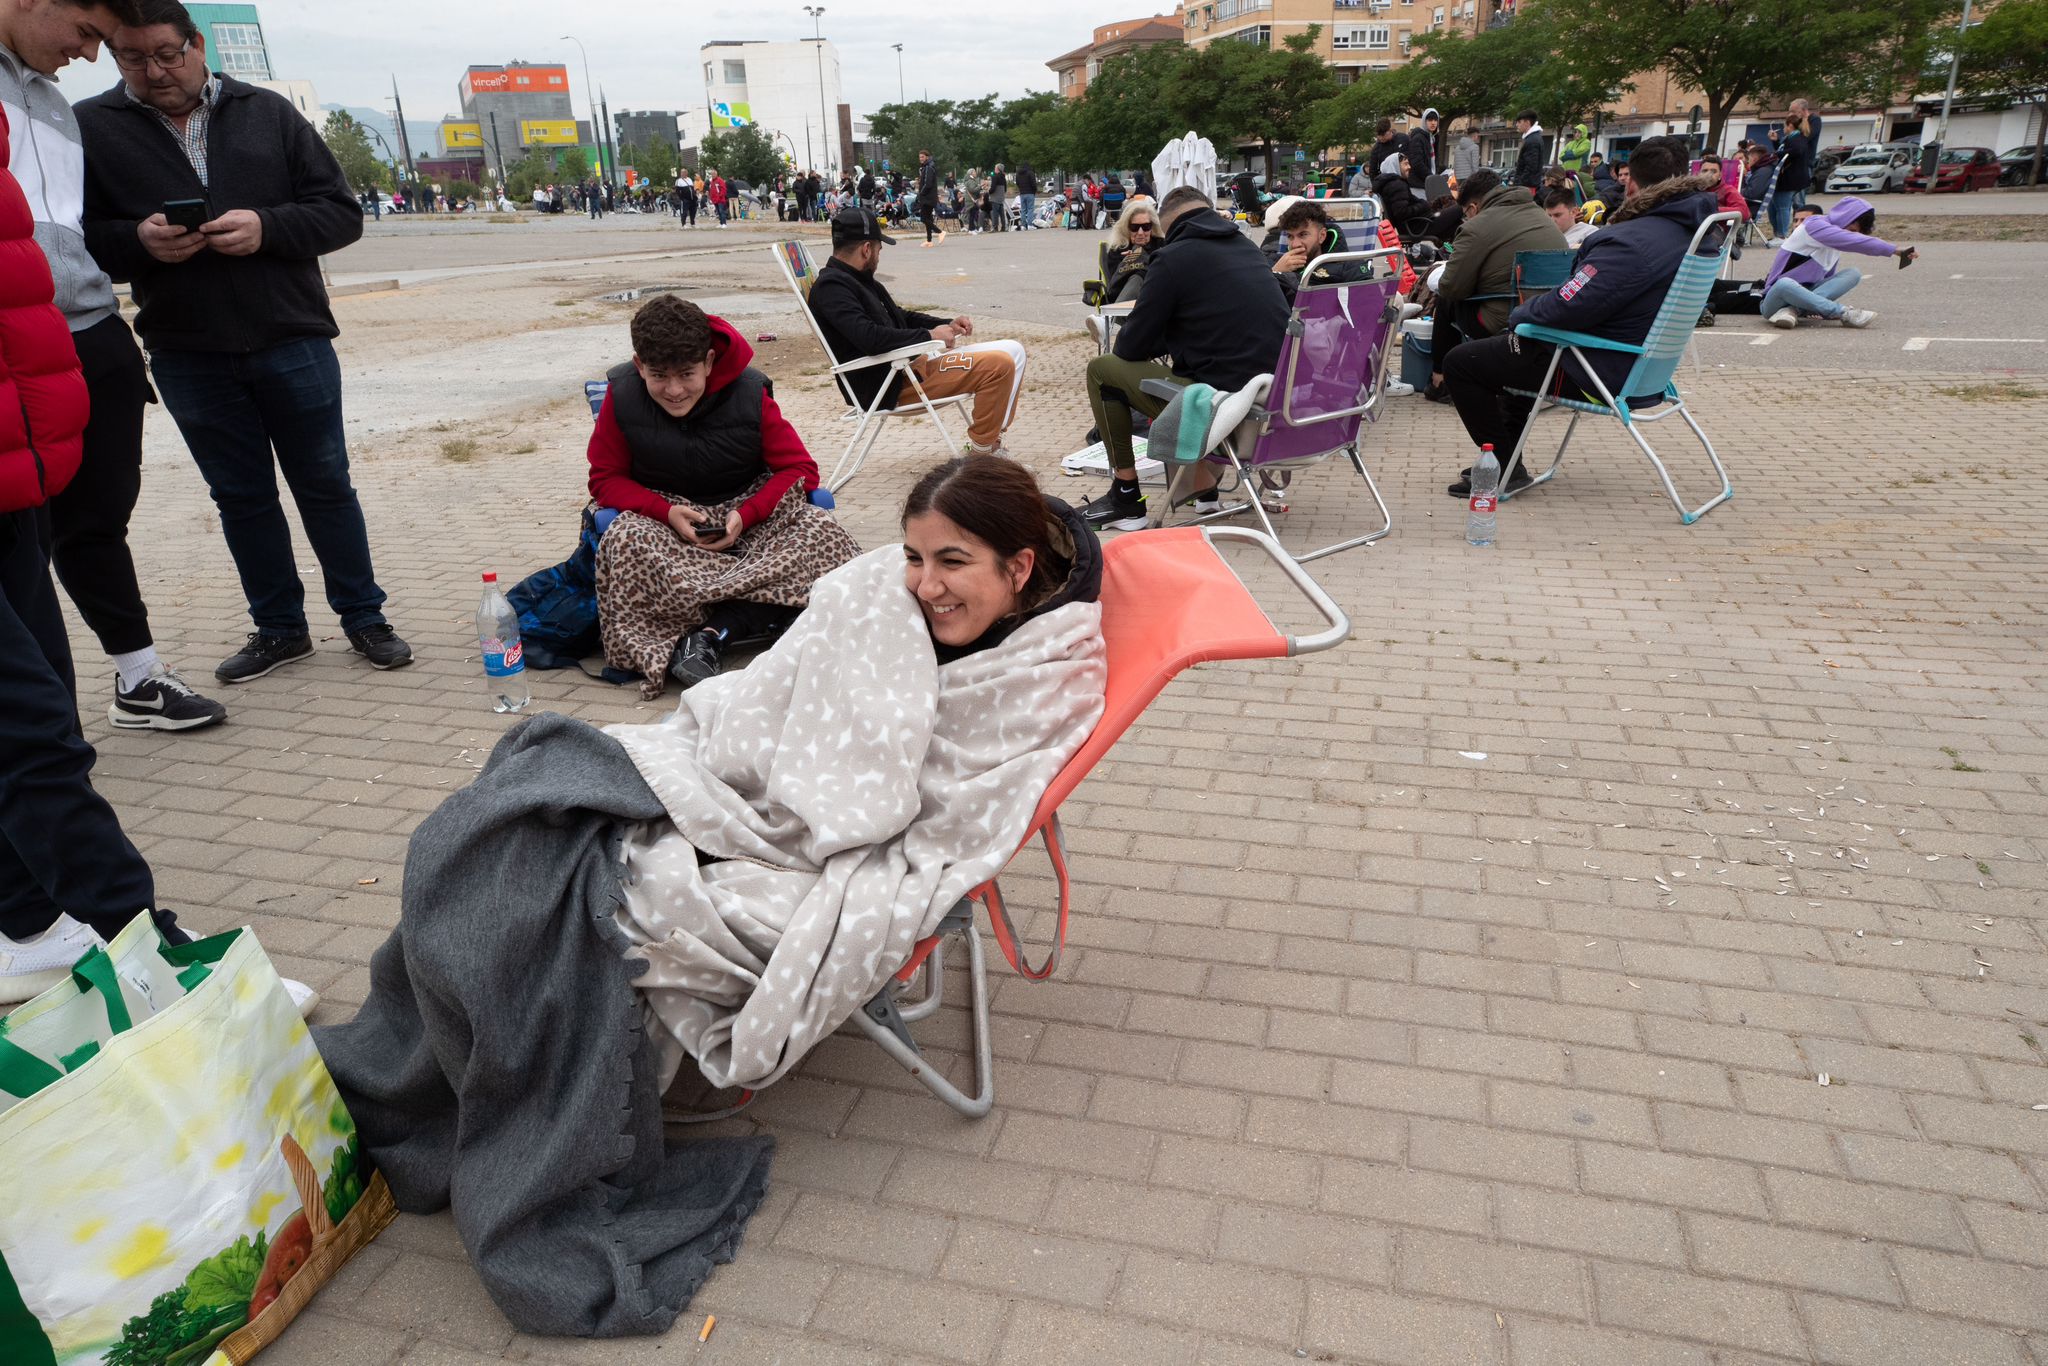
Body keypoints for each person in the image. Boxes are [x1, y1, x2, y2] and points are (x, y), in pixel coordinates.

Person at [312, 453, 1101, 1340]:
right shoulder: (886, 593)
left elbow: (926, 810)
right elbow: (774, 692)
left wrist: (822, 805)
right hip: (725, 771)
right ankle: (431, 1073)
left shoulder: (1039, 669)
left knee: (566, 899)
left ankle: (498, 1107)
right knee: (489, 832)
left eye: (953, 563)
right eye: (915, 556)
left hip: (807, 837)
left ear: (1020, 568)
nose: (924, 585)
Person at [77, 0, 413, 682]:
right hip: (185, 349)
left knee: (325, 485)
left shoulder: (267, 112)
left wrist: (267, 227)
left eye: (168, 54)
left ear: (197, 45)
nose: (155, 71)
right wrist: (136, 242)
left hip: (292, 337)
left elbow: (339, 214)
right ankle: (280, 628)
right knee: (241, 496)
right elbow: (77, 240)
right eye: (134, 59)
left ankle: (363, 617)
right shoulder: (90, 128)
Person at [3, 0, 225, 731]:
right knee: (19, 543)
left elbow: (69, 228)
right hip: (15, 350)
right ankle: (40, 733)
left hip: (93, 335)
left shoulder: (55, 105)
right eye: (88, 34)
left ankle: (138, 680)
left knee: (97, 519)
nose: (91, 55)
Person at [587, 297, 858, 698]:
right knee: (625, 540)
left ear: (710, 362)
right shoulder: (622, 394)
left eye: (687, 374)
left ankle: (708, 634)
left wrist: (746, 515)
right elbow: (605, 478)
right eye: (659, 375)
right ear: (639, 365)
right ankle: (774, 616)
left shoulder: (750, 392)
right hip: (668, 525)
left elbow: (800, 470)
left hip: (749, 519)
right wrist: (664, 511)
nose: (675, 390)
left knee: (819, 528)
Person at [1441, 135, 1720, 496]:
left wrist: (1523, 314)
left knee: (1465, 361)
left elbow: (1568, 305)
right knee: (1516, 348)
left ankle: (1502, 467)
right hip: (1646, 367)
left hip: (1598, 370)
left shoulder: (1630, 241)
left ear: (1630, 182)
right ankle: (1508, 461)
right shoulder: (1696, 231)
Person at [1079, 186, 1289, 531]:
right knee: (1203, 368)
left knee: (1102, 370)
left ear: (1168, 223)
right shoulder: (1247, 249)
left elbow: (1128, 349)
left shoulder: (1172, 258)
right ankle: (1204, 492)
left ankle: (1126, 497)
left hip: (1230, 411)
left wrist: (1167, 330)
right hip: (1281, 403)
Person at [808, 207, 1027, 459]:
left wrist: (946, 323)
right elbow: (870, 338)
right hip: (893, 383)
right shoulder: (832, 287)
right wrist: (929, 336)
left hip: (910, 365)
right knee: (998, 366)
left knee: (1014, 350)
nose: (880, 255)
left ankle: (992, 440)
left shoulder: (858, 280)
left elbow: (902, 317)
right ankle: (983, 457)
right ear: (866, 249)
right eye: (880, 249)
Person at [1429, 171, 1568, 401]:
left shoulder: (1477, 227)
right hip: (1551, 318)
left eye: (1465, 214)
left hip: (1506, 320)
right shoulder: (1541, 216)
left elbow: (1452, 287)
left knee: (1445, 300)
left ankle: (1440, 379)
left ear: (1473, 208)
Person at [1761, 197, 1911, 329]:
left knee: (1853, 273)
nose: (1853, 235)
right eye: (1852, 230)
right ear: (1843, 218)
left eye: (1857, 233)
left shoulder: (1835, 240)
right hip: (1774, 300)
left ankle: (1794, 310)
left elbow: (1827, 278)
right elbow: (1856, 242)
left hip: (1806, 294)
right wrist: (1894, 250)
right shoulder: (1814, 225)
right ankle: (1845, 313)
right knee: (1785, 283)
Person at [1269, 198, 1368, 302]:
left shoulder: (1348, 265)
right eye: (1290, 236)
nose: (1295, 244)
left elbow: (1373, 304)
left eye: (1303, 235)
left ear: (1322, 236)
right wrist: (1274, 273)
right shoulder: (1277, 262)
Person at [1102, 196, 1160, 305]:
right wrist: (1127, 263)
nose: (1141, 232)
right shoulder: (1118, 249)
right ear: (1126, 227)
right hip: (1124, 299)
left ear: (1152, 227)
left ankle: (1110, 318)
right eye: (1134, 227)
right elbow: (1114, 283)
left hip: (1156, 298)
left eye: (1146, 226)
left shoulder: (1161, 245)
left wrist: (1141, 258)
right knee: (1137, 277)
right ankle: (1115, 315)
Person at [1767, 110, 1811, 239]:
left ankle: (1782, 235)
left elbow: (1796, 151)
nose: (1783, 129)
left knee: (1782, 208)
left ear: (1790, 126)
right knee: (1773, 207)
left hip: (1790, 180)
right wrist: (1776, 142)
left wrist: (1777, 154)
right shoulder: (1789, 139)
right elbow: (1785, 150)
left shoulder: (1798, 139)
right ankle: (1778, 233)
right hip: (1783, 179)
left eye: (1785, 126)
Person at [1405, 108, 1441, 189]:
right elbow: (1417, 163)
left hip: (1429, 182)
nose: (1433, 123)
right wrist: (1431, 177)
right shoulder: (1418, 138)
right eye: (1430, 120)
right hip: (1418, 184)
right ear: (1424, 121)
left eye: (1435, 120)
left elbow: (1435, 159)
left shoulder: (1434, 137)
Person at [915, 147, 943, 246]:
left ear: (927, 157)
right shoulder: (926, 167)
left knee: (924, 218)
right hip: (929, 196)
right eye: (920, 157)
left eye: (922, 157)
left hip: (927, 197)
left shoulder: (928, 167)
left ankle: (940, 232)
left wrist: (920, 194)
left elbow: (928, 184)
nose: (921, 159)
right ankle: (929, 241)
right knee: (928, 218)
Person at [1513, 109, 1547, 190]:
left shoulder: (1532, 140)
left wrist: (1519, 183)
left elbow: (1531, 167)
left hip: (1527, 186)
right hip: (1528, 185)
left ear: (1527, 123)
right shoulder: (1533, 138)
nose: (1517, 125)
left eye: (1519, 122)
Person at [1015, 161, 1037, 229]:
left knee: (1023, 210)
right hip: (1030, 193)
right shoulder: (1030, 173)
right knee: (1030, 209)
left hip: (1022, 194)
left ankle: (1023, 225)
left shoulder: (1018, 174)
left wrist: (1021, 189)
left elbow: (1017, 183)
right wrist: (1034, 191)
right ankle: (1030, 224)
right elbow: (1033, 183)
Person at [988, 162, 1007, 231]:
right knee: (1002, 213)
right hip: (1001, 197)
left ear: (998, 169)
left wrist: (989, 191)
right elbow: (1005, 189)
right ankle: (1003, 227)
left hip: (995, 197)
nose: (994, 169)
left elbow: (993, 188)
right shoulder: (1003, 177)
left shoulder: (995, 177)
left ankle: (995, 227)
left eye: (995, 168)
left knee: (995, 213)